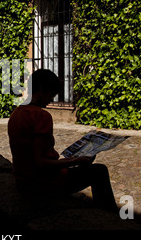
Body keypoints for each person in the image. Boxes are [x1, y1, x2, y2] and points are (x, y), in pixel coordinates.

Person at [7, 69, 118, 212]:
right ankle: (110, 216)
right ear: (41, 89)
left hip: (23, 180)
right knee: (99, 171)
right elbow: (41, 163)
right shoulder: (41, 116)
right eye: (51, 94)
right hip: (43, 183)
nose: (51, 100)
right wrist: (76, 161)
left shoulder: (16, 113)